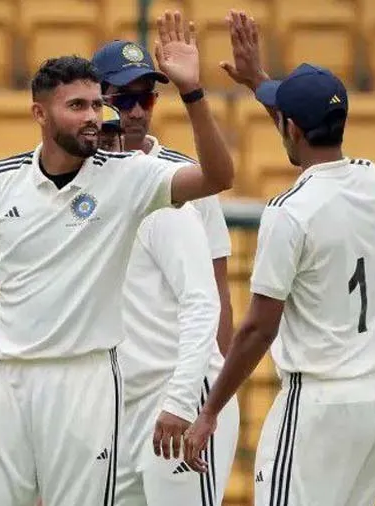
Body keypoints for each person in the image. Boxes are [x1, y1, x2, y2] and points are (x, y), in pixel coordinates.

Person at [0, 10, 235, 505]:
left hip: (87, 383)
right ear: (40, 114)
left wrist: (193, 93)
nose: (94, 117)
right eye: (78, 105)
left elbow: (219, 178)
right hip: (5, 381)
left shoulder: (130, 176)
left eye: (97, 105)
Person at [184, 12, 375, 506]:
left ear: (291, 127)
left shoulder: (289, 212)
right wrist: (258, 81)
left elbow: (259, 329)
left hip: (318, 406)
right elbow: (307, 141)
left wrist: (210, 410)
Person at [91, 38, 235, 357]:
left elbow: (218, 292)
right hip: (101, 375)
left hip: (172, 374)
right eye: (124, 100)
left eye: (146, 99)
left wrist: (219, 384)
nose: (137, 112)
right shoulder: (78, 176)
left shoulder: (189, 177)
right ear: (95, 101)